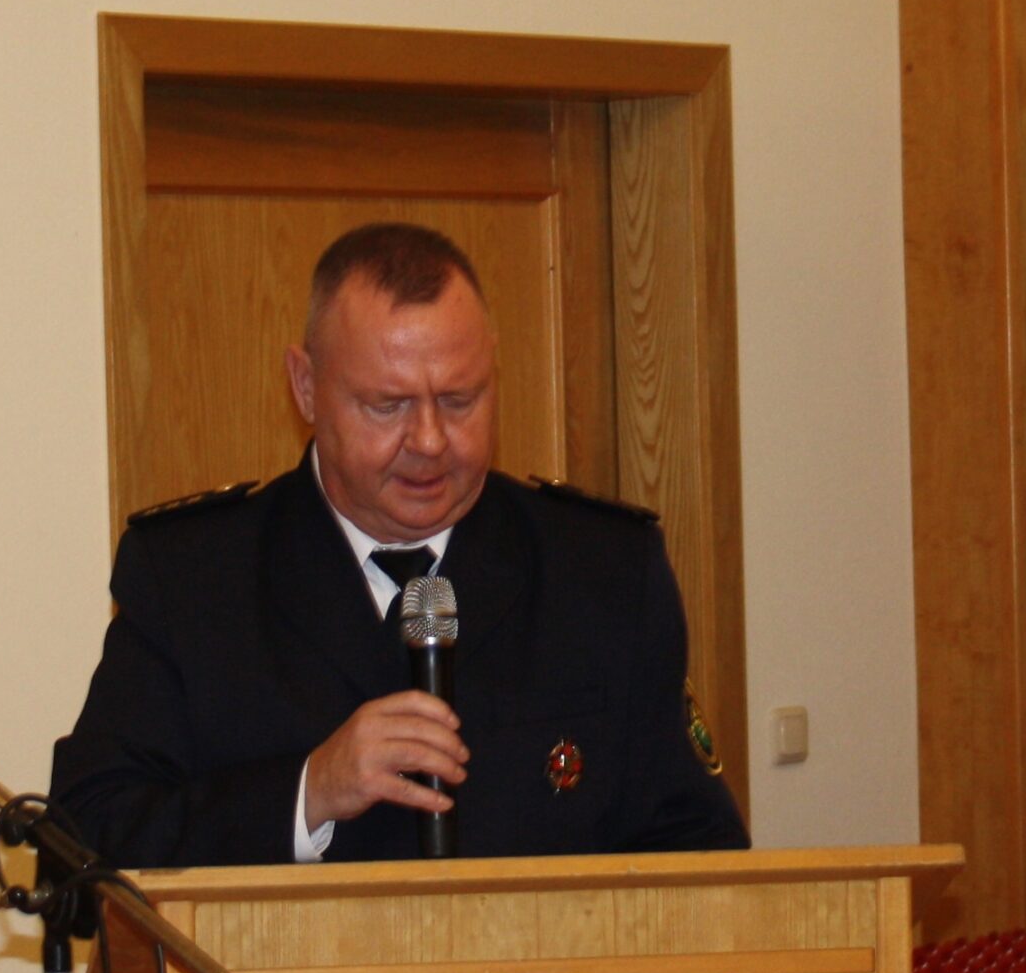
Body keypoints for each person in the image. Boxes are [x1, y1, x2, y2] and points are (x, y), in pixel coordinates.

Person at [50, 223, 749, 865]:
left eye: (460, 400)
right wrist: (309, 793)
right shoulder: (195, 580)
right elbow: (83, 843)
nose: (430, 441)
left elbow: (700, 852)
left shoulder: (602, 572)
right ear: (305, 387)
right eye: (388, 406)